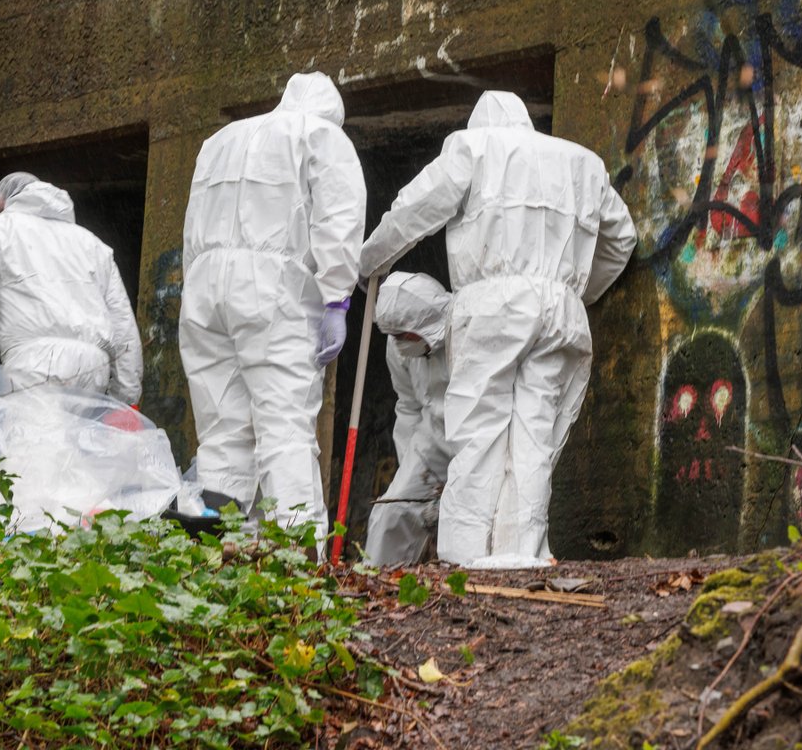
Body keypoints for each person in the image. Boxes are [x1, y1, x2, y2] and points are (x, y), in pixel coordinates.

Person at [358, 91, 637, 567]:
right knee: (534, 436)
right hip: (562, 310)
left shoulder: (473, 147)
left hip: (494, 305)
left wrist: (369, 262)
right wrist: (580, 292)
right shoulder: (584, 164)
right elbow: (622, 237)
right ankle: (516, 555)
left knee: (480, 433)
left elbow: (416, 209)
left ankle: (463, 558)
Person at [179, 71, 366, 547]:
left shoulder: (219, 140)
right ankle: (297, 561)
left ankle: (218, 561)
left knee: (222, 434)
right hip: (272, 291)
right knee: (283, 427)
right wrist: (337, 297)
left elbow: (192, 225)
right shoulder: (322, 136)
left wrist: (194, 296)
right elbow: (338, 220)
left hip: (205, 292)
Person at [0, 172, 143, 403]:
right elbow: (123, 324)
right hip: (94, 369)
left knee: (31, 439)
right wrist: (128, 397)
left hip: (35, 366)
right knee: (78, 439)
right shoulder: (93, 244)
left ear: (1, 202)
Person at [364, 272, 452, 566]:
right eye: (394, 336)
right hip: (432, 440)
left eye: (404, 336)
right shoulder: (399, 348)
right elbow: (409, 406)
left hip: (477, 437)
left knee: (467, 522)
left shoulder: (464, 331)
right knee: (392, 511)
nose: (400, 343)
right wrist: (412, 465)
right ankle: (377, 585)